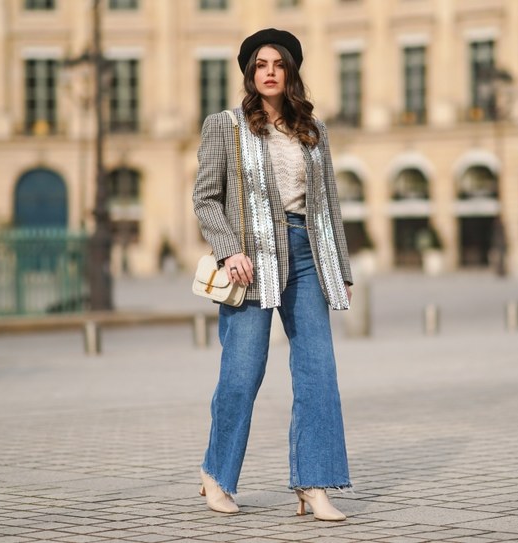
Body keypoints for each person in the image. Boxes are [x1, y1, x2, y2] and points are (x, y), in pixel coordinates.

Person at [192, 28, 353, 521]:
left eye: (277, 64)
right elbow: (205, 197)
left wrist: (340, 268)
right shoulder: (226, 125)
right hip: (251, 260)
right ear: (249, 72)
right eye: (260, 64)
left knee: (318, 372)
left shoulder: (313, 130)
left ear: (290, 72)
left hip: (308, 254)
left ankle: (314, 484)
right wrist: (227, 251)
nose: (269, 72)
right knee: (242, 374)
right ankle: (217, 475)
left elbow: (329, 205)